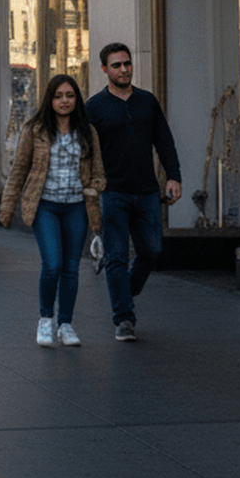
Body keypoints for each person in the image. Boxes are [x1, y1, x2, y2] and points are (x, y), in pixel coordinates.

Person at [0, 75, 106, 348]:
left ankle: (66, 324)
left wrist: (96, 186)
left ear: (76, 100)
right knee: (53, 264)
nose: (64, 101)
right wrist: (7, 206)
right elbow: (20, 169)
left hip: (77, 208)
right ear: (50, 99)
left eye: (70, 95)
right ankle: (45, 319)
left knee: (71, 268)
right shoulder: (34, 129)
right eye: (59, 95)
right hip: (44, 206)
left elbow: (98, 173)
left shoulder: (87, 131)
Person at [86, 42, 182, 342]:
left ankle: (124, 291)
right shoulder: (94, 107)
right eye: (117, 65)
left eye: (127, 63)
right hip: (112, 192)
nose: (124, 69)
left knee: (151, 252)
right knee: (116, 256)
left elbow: (164, 142)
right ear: (105, 70)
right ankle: (124, 318)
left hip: (147, 192)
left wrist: (173, 177)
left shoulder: (147, 101)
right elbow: (85, 152)